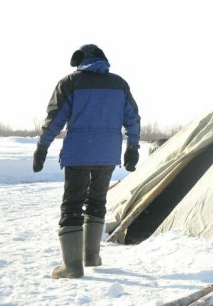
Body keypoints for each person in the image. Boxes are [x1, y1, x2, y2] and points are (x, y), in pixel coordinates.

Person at [32, 44, 141, 279]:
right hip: (107, 154)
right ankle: (92, 257)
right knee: (97, 201)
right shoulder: (119, 84)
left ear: (82, 61)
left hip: (79, 153)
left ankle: (72, 266)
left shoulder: (70, 83)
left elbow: (55, 120)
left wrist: (42, 147)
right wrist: (132, 147)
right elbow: (132, 118)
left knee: (72, 205)